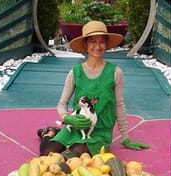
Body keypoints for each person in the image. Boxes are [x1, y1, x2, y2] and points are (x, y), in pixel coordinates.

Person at [37, 20, 149, 156]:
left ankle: (62, 135)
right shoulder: (75, 72)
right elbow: (62, 103)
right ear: (85, 44)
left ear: (106, 44)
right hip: (75, 127)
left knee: (74, 154)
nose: (97, 46)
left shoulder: (115, 72)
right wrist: (67, 118)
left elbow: (119, 105)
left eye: (101, 42)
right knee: (47, 151)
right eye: (92, 41)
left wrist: (125, 137)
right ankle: (48, 133)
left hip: (100, 131)